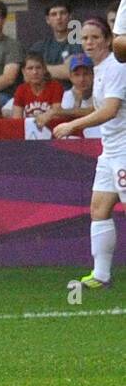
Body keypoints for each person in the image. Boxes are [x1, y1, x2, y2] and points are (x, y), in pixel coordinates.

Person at [52, 17, 124, 289]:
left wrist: (73, 125)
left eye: (95, 37)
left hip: (124, 150)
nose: (90, 42)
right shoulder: (101, 69)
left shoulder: (117, 67)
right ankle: (101, 275)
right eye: (85, 38)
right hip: (111, 150)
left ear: (108, 40)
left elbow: (110, 110)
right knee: (98, 208)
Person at [29, 0, 79, 80]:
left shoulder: (80, 43)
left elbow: (72, 72)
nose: (59, 17)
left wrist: (41, 69)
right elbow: (28, 74)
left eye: (62, 13)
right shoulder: (40, 47)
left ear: (70, 17)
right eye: (54, 14)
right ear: (48, 20)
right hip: (45, 91)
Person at [8, 53, 65, 119]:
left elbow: (57, 116)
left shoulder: (55, 87)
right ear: (23, 71)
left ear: (44, 70)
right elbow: (16, 119)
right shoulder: (21, 89)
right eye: (30, 68)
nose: (35, 72)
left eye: (38, 68)